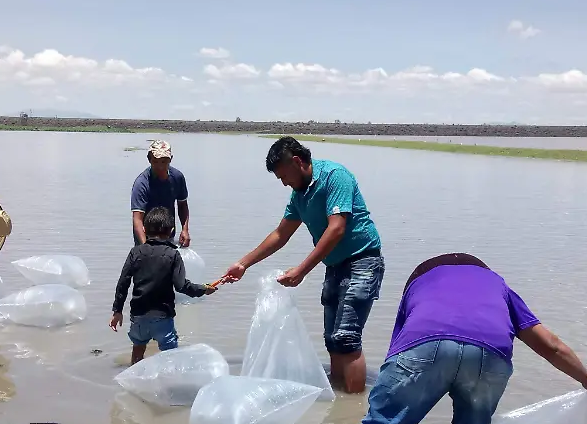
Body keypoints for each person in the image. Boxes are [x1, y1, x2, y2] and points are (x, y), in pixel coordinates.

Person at [329, 253, 587, 424]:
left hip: (426, 342)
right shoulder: (498, 286)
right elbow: (550, 345)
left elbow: (399, 361)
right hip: (488, 355)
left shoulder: (417, 286)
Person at [220, 136, 384, 394]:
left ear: (297, 162)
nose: (284, 183)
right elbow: (280, 234)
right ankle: (340, 402)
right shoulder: (300, 194)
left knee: (347, 338)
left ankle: (357, 410)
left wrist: (301, 270)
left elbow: (337, 228)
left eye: (284, 176)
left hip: (363, 261)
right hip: (334, 265)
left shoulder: (334, 176)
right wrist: (243, 264)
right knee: (332, 340)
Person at [111, 207, 217, 364]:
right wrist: (203, 289)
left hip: (139, 316)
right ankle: (169, 384)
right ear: (172, 230)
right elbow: (181, 286)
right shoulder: (173, 254)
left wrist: (117, 311)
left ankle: (132, 384)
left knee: (138, 349)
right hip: (163, 317)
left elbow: (123, 283)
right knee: (171, 358)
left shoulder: (135, 252)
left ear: (145, 229)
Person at [131, 140, 191, 248]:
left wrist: (185, 229)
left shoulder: (177, 177)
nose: (160, 166)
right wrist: (145, 248)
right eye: (156, 161)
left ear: (171, 159)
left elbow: (182, 205)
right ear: (149, 159)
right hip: (146, 237)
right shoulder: (142, 183)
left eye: (164, 161)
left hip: (168, 236)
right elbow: (137, 219)